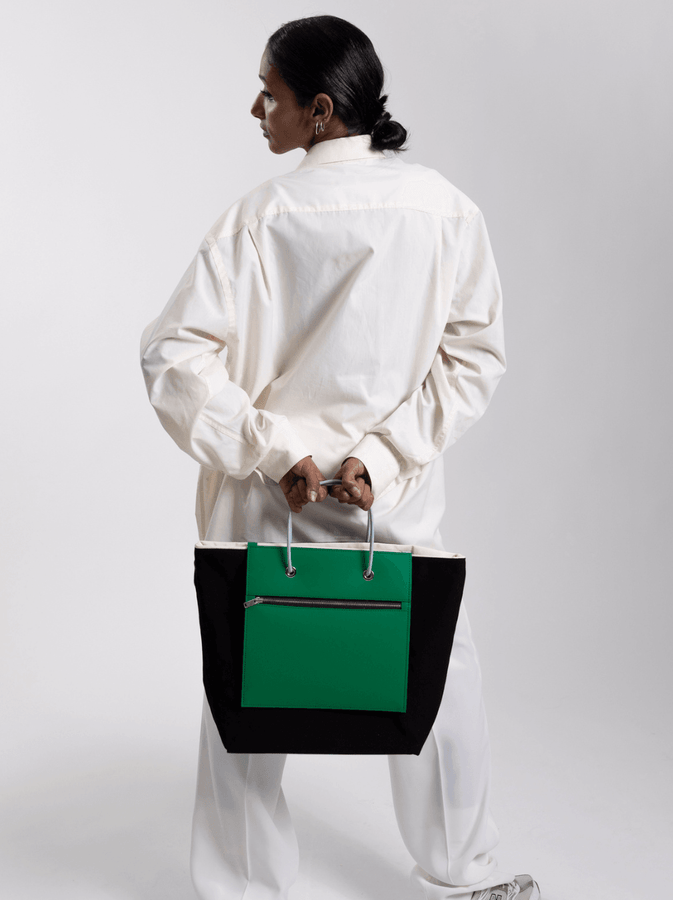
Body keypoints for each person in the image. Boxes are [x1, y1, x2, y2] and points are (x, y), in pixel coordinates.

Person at [140, 15, 540, 900]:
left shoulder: (258, 219)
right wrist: (385, 459)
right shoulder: (443, 210)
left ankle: (244, 889)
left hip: (266, 504)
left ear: (319, 110)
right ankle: (467, 875)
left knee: (247, 692)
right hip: (390, 506)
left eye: (270, 94)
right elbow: (474, 356)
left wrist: (274, 450)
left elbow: (171, 356)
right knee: (435, 674)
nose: (256, 109)